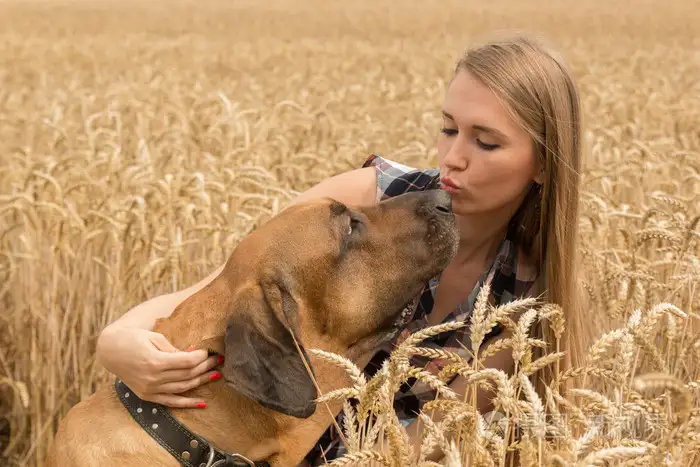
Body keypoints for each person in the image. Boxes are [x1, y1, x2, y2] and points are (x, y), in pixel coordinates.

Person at [95, 32, 592, 463]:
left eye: (485, 143)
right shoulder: (365, 200)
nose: (453, 158)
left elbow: (415, 446)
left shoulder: (524, 307)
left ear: (543, 165)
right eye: (448, 129)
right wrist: (118, 340)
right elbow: (227, 288)